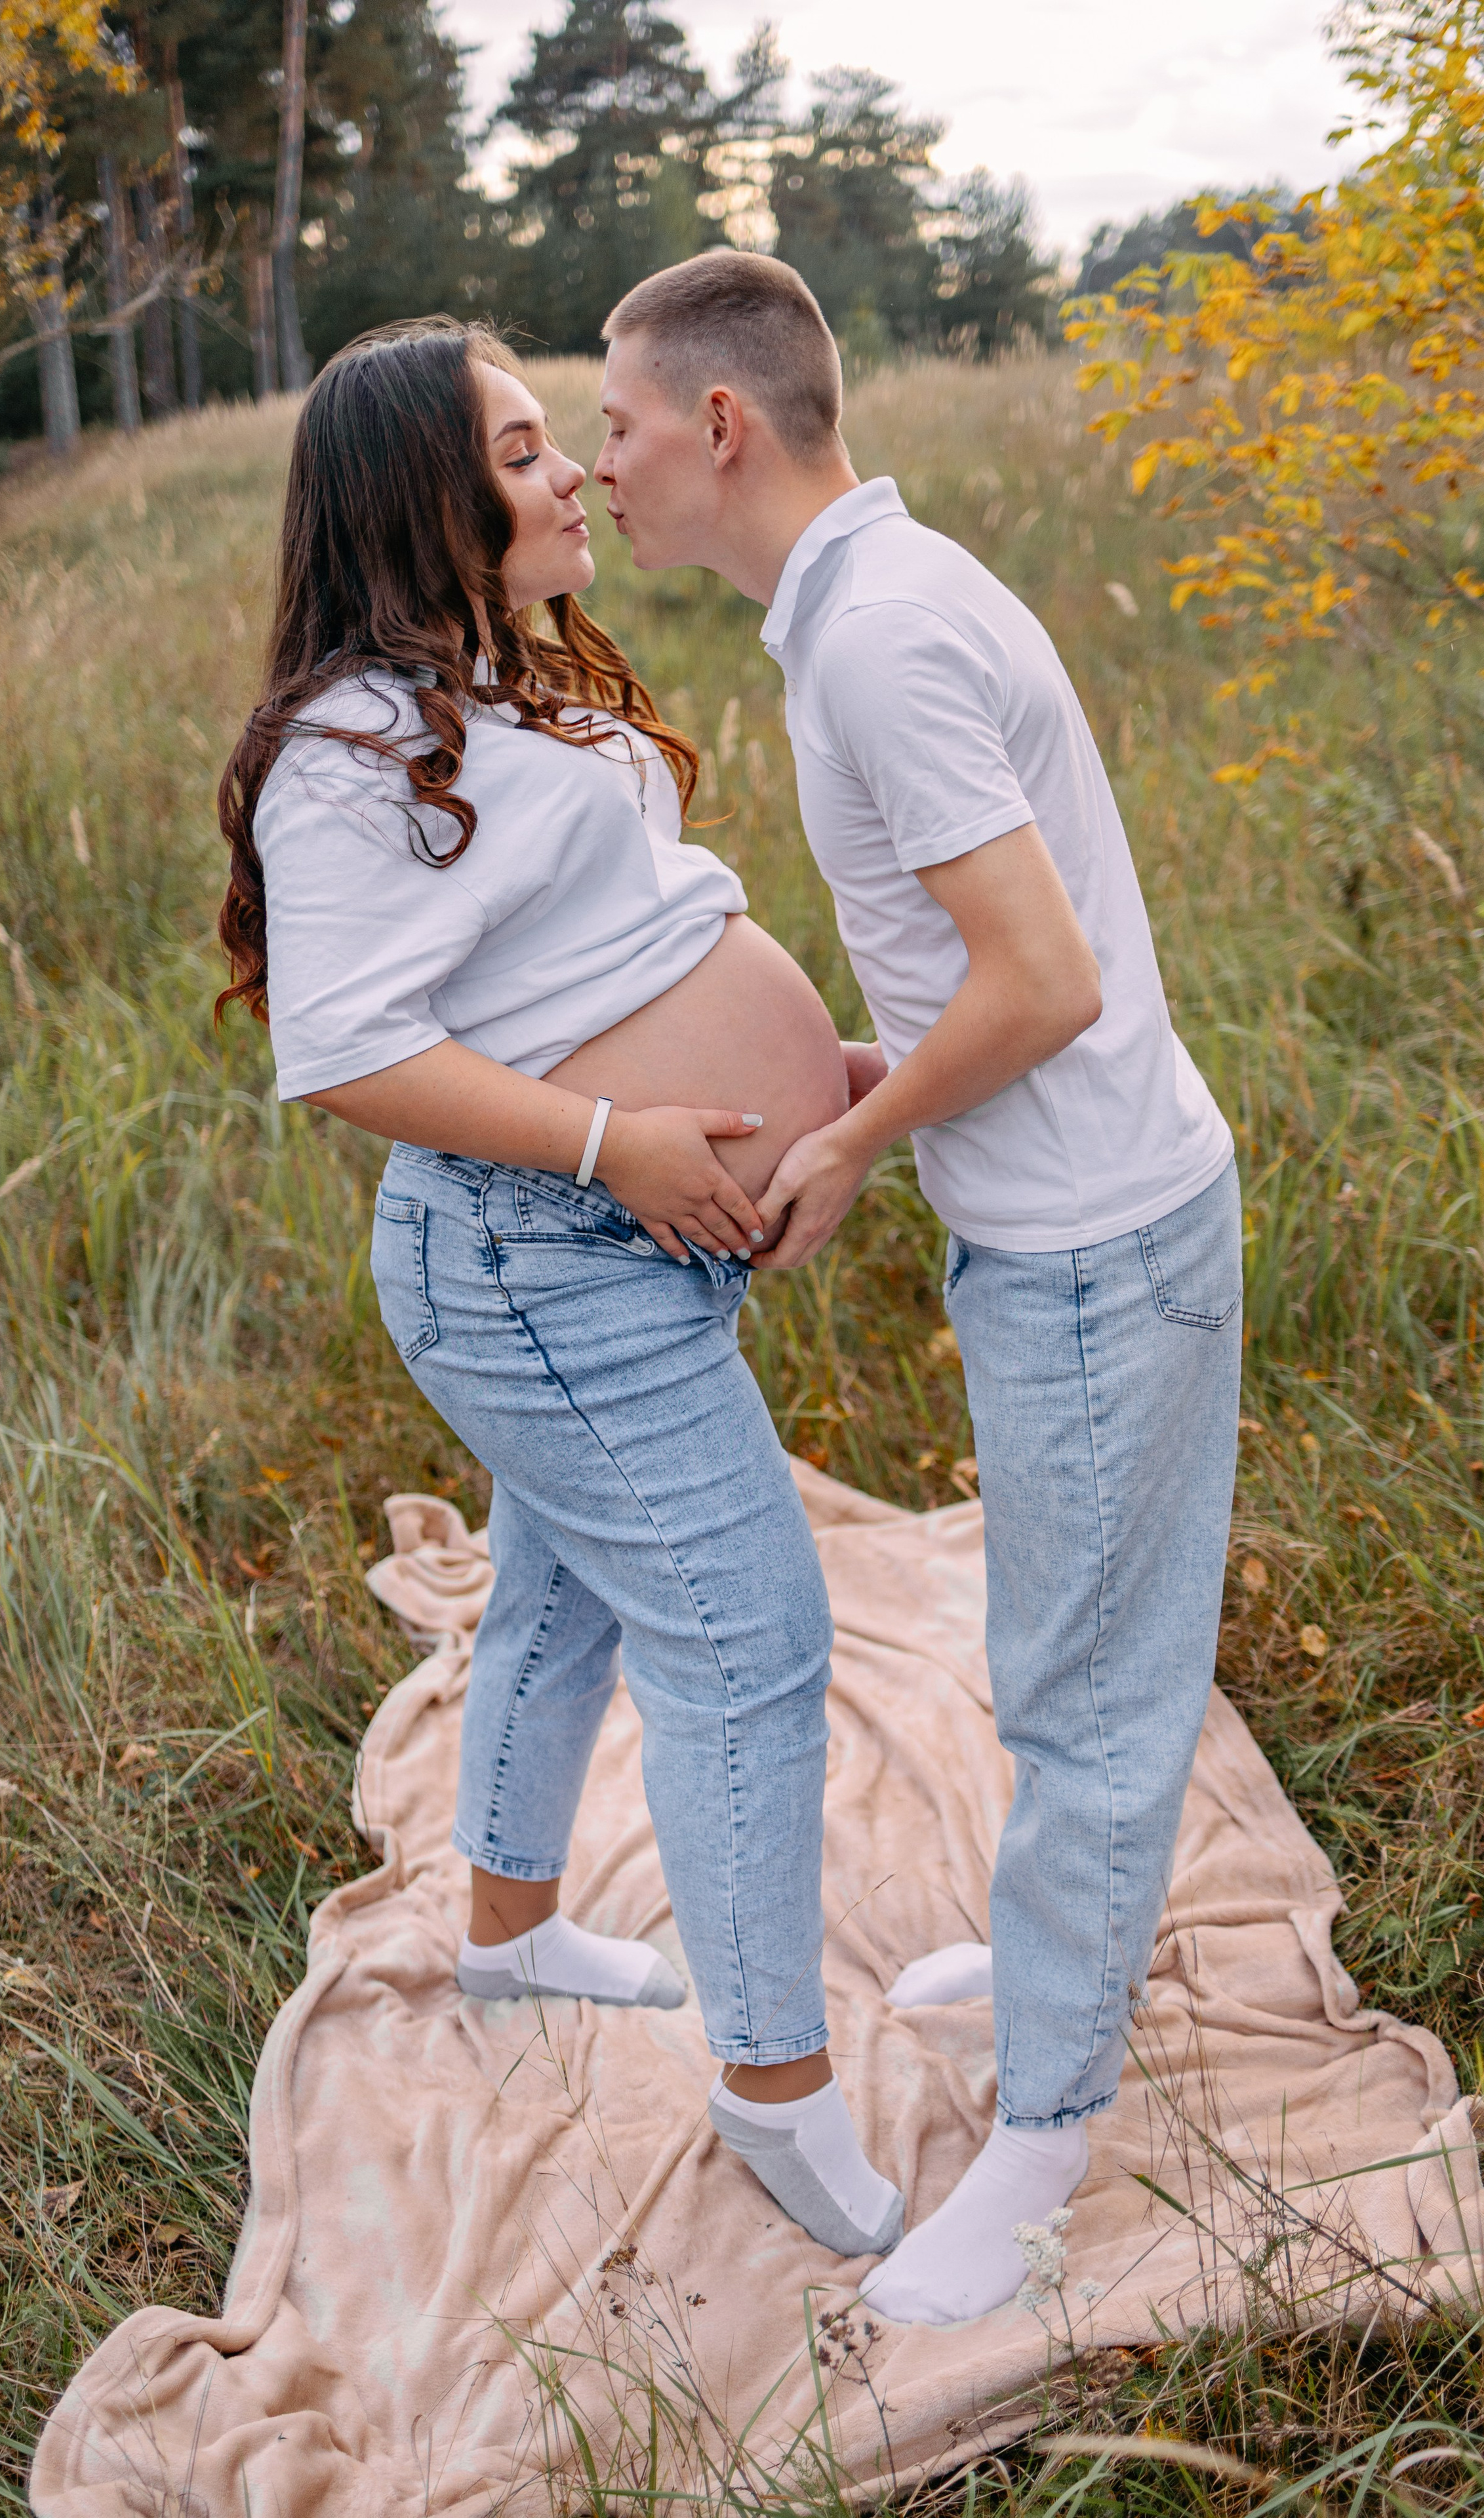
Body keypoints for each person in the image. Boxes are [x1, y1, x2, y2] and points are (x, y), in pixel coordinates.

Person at [214, 315, 904, 2265]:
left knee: (559, 1591)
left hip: (606, 1250)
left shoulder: (500, 681)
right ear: (423, 499)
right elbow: (342, 1053)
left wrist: (805, 1085)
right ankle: (779, 2095)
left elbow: (596, 948)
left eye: (559, 442)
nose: (577, 474)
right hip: (539, 1262)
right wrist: (627, 1144)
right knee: (751, 1645)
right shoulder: (354, 744)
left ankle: (508, 1945)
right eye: (527, 452)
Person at [594, 253, 1241, 2326]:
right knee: (1075, 1649)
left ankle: (1048, 2129)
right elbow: (1006, 969)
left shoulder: (874, 639)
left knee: (1088, 1688)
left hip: (1092, 1238)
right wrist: (887, 1072)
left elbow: (1043, 983)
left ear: (720, 427)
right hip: (1067, 1208)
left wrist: (855, 1144)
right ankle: (1071, 1960)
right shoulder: (876, 601)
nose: (596, 468)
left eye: (612, 425)